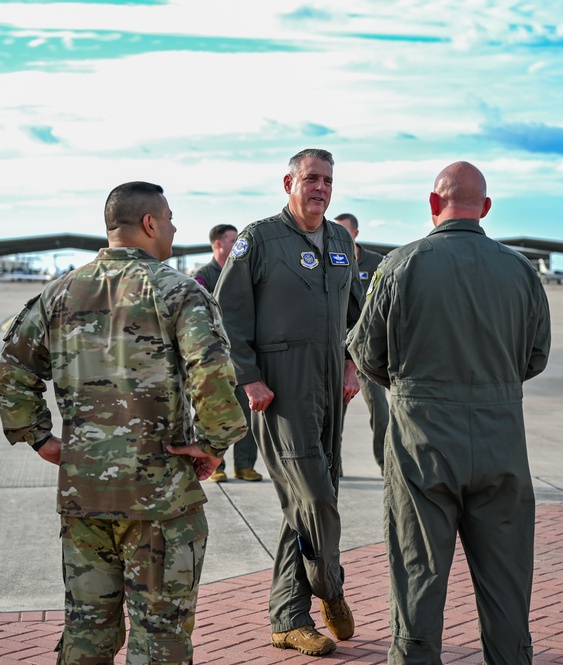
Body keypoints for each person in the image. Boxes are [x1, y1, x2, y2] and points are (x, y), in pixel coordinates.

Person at [0, 181, 247, 665]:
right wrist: (214, 443)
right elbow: (212, 372)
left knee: (87, 628)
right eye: (170, 218)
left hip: (84, 494)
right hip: (160, 500)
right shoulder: (178, 292)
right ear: (150, 224)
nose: (174, 227)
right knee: (159, 635)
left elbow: (14, 365)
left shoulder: (59, 292)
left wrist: (40, 437)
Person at [348, 161, 551, 665]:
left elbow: (366, 353)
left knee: (419, 571)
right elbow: (536, 356)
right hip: (501, 438)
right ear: (485, 208)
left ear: (433, 203)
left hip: (423, 442)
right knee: (506, 578)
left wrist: (415, 387)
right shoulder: (521, 269)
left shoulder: (400, 265)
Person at [215, 148, 363, 657]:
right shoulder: (259, 239)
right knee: (316, 497)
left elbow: (355, 315)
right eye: (311, 179)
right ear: (288, 183)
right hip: (279, 389)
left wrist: (351, 364)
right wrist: (249, 378)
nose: (320, 188)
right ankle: (331, 587)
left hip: (330, 389)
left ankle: (288, 619)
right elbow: (228, 313)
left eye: (327, 180)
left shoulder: (342, 240)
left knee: (309, 499)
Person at [191, 223, 262, 483]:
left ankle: (244, 465)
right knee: (215, 412)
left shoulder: (244, 274)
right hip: (215, 359)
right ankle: (215, 464)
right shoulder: (203, 277)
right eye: (233, 241)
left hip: (243, 358)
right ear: (219, 243)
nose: (237, 246)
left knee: (247, 412)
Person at [334, 212, 390, 472]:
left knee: (381, 412)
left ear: (355, 233)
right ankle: (335, 464)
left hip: (368, 355)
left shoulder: (376, 262)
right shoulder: (331, 260)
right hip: (338, 352)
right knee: (335, 415)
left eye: (344, 231)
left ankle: (385, 463)